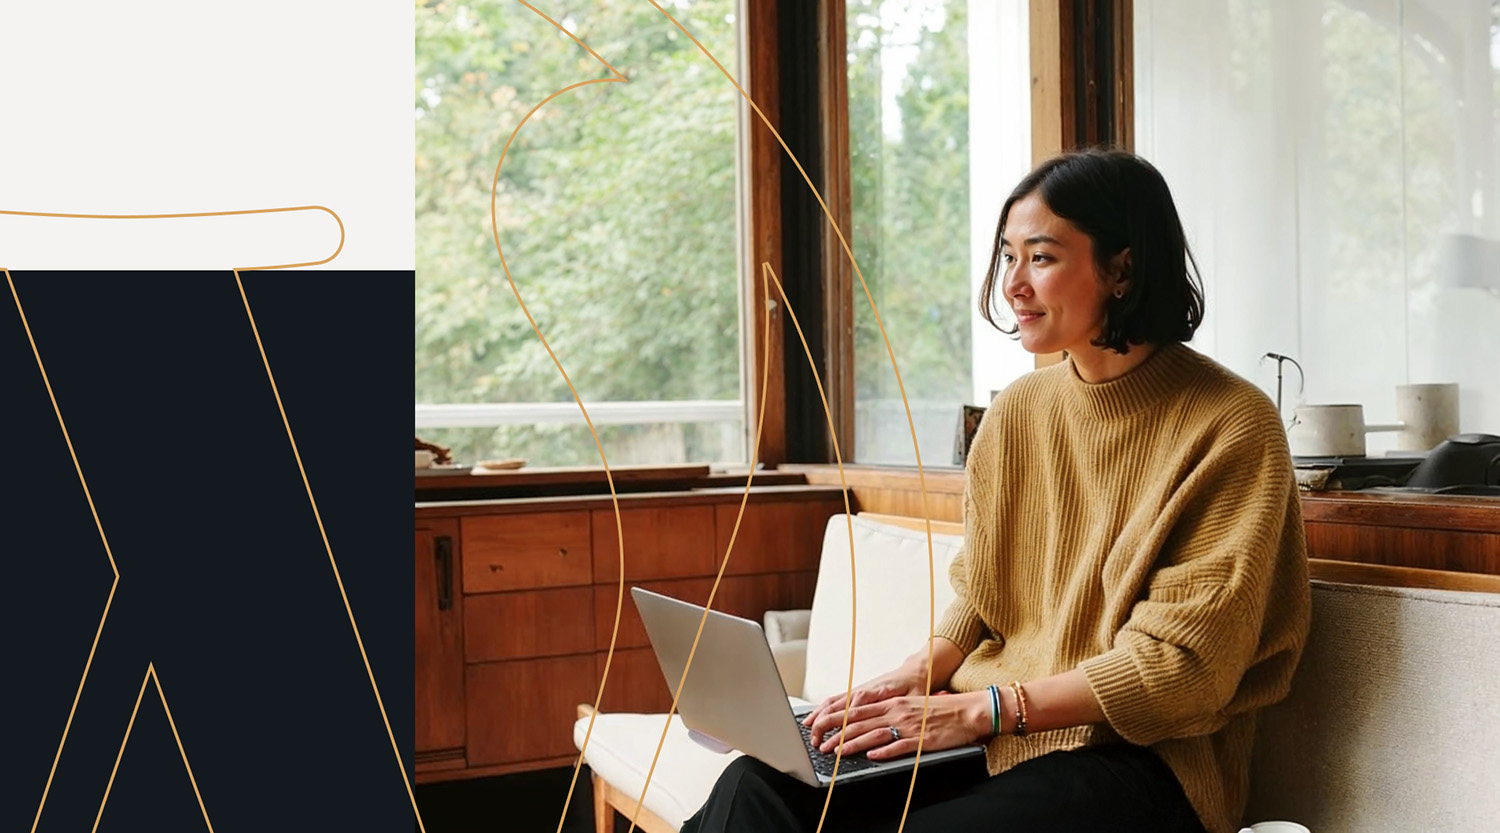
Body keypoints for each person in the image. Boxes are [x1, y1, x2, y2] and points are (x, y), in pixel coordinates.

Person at [678, 149, 1311, 833]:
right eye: (1008, 257)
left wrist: (983, 708)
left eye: (1040, 257)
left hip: (1140, 764)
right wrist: (917, 671)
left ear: (1122, 268)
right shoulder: (1016, 412)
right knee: (758, 785)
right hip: (997, 737)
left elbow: (1185, 669)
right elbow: (984, 589)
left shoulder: (1231, 425)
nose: (1013, 284)